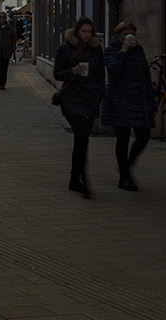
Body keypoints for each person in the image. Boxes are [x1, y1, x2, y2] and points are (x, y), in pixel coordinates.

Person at [54, 17, 106, 198]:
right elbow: (57, 74)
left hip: (90, 98)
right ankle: (82, 177)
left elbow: (100, 74)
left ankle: (74, 179)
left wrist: (100, 93)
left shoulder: (96, 49)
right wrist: (72, 72)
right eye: (83, 31)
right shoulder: (65, 49)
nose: (86, 35)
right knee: (82, 135)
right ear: (77, 31)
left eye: (89, 32)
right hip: (71, 98)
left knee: (82, 140)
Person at [102, 20, 153, 191]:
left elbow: (145, 74)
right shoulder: (111, 50)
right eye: (125, 34)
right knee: (122, 138)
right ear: (118, 35)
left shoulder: (138, 50)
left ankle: (127, 166)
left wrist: (150, 95)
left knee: (143, 135)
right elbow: (114, 70)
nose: (129, 37)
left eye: (131, 33)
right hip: (119, 99)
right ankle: (125, 177)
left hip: (138, 98)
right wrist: (123, 50)